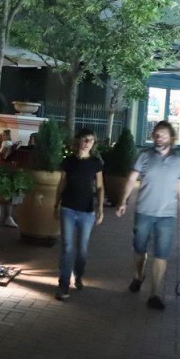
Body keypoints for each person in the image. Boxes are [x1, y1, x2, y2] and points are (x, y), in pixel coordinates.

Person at [115, 120, 180, 311]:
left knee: (161, 254)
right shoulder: (144, 156)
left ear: (172, 138)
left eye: (163, 135)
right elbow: (131, 179)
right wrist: (123, 201)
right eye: (156, 134)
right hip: (144, 212)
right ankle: (138, 276)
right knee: (139, 249)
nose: (159, 138)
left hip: (167, 216)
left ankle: (154, 293)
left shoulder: (179, 162)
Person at [54, 129, 105, 301]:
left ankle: (79, 274)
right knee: (68, 247)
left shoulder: (95, 163)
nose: (87, 143)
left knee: (82, 249)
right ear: (78, 141)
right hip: (68, 208)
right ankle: (64, 283)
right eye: (84, 139)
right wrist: (56, 204)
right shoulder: (69, 161)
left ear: (93, 143)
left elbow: (100, 186)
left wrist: (100, 208)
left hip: (87, 211)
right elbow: (62, 183)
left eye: (90, 140)